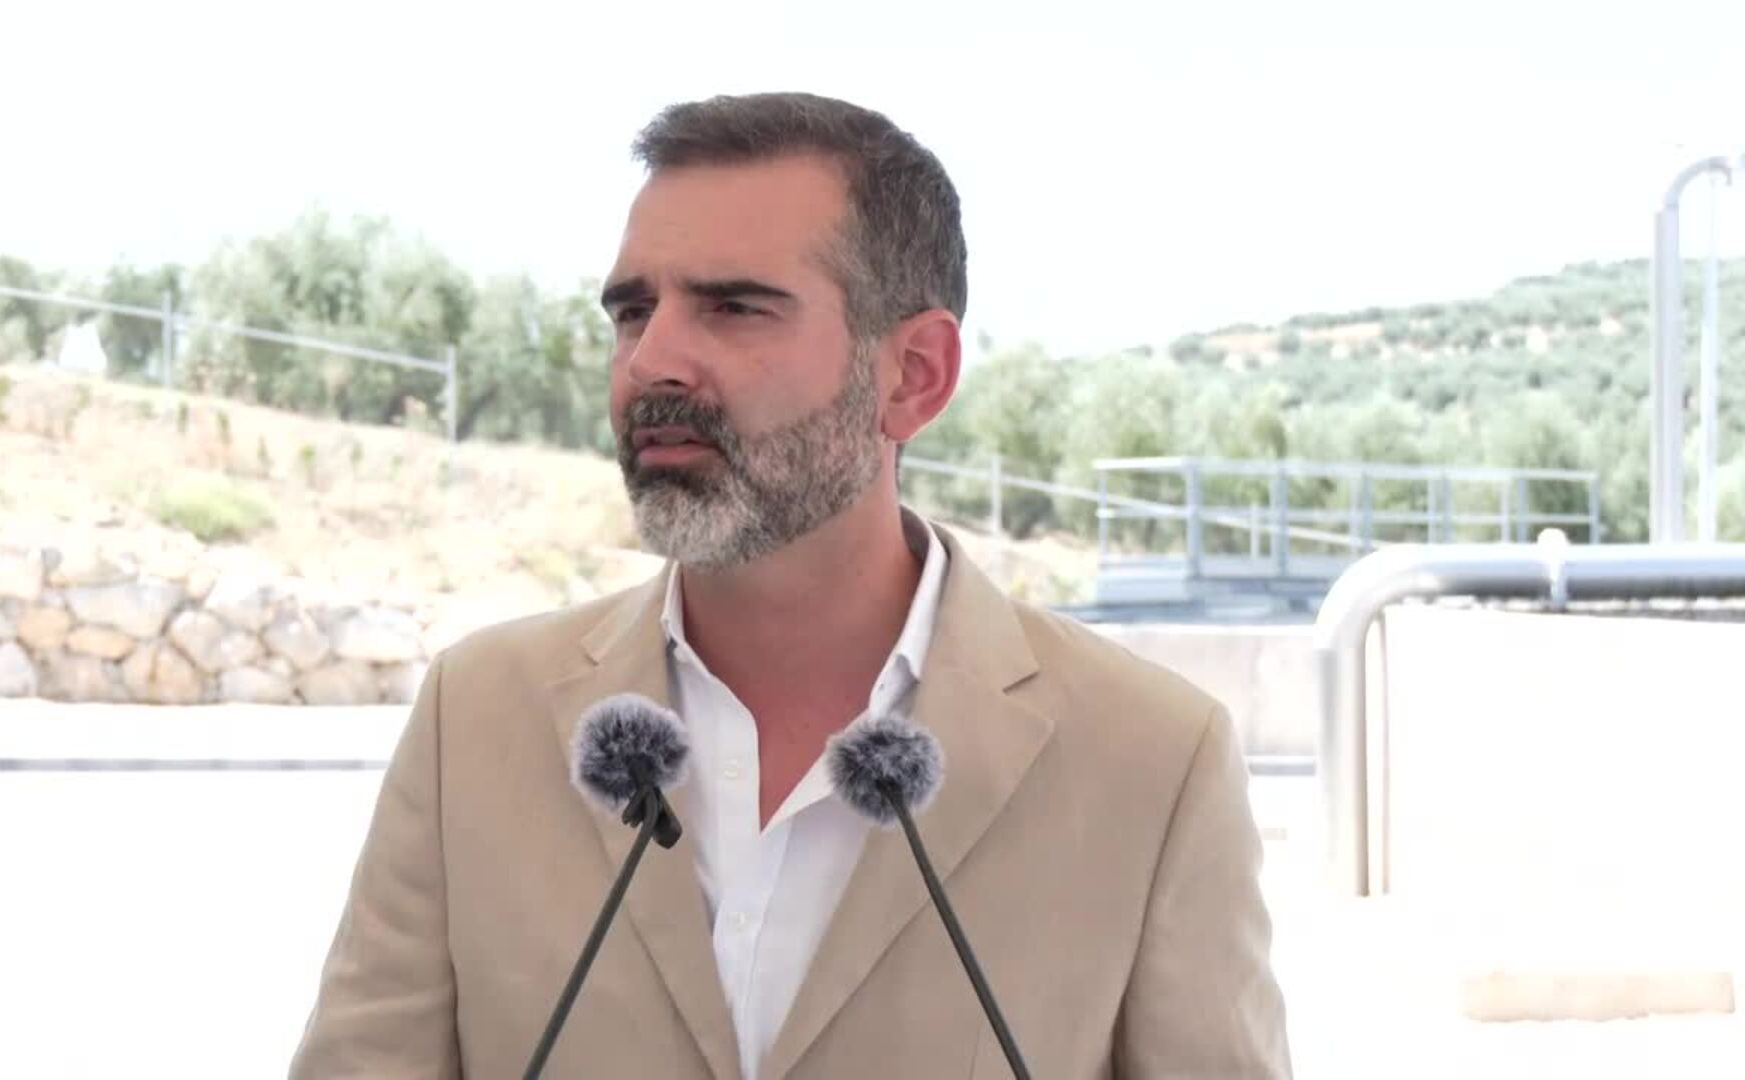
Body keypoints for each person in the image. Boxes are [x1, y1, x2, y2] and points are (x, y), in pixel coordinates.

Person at [290, 91, 1291, 1079]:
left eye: (733, 308)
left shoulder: (1152, 761)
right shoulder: (475, 717)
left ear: (915, 375)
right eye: (633, 312)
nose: (652, 361)